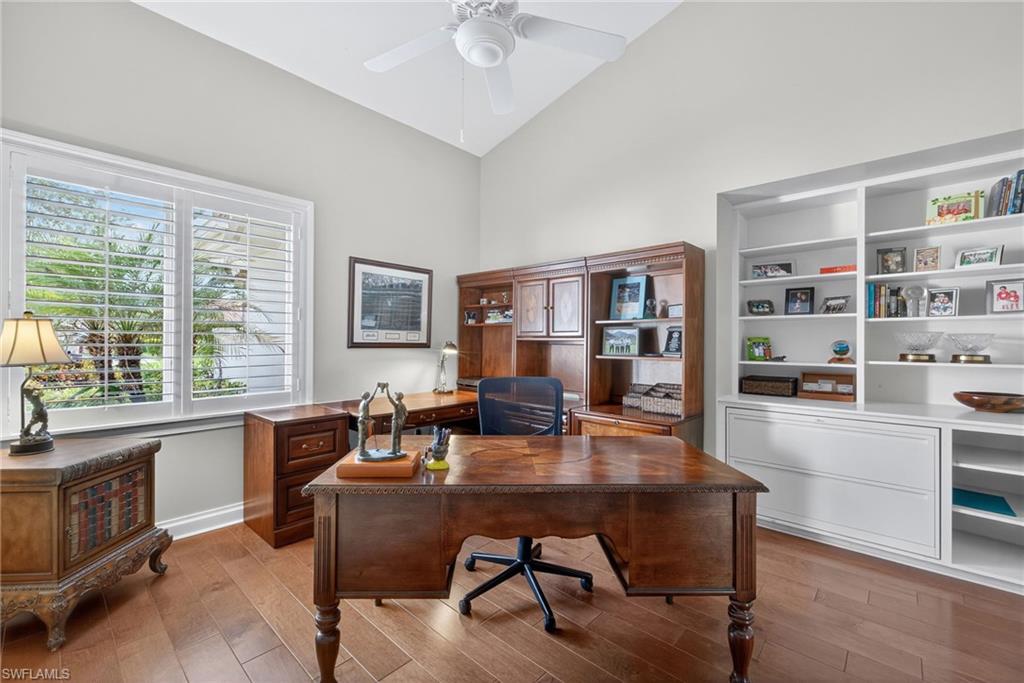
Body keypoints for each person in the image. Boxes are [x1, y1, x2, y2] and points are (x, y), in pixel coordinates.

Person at [385, 386, 407, 455]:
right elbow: (406, 414)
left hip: (396, 421)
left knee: (394, 436)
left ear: (398, 397)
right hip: (400, 422)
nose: (395, 396)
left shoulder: (397, 405)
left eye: (396, 395)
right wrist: (403, 421)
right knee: (399, 435)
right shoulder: (403, 405)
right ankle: (398, 449)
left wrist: (387, 389)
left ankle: (393, 450)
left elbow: (389, 398)